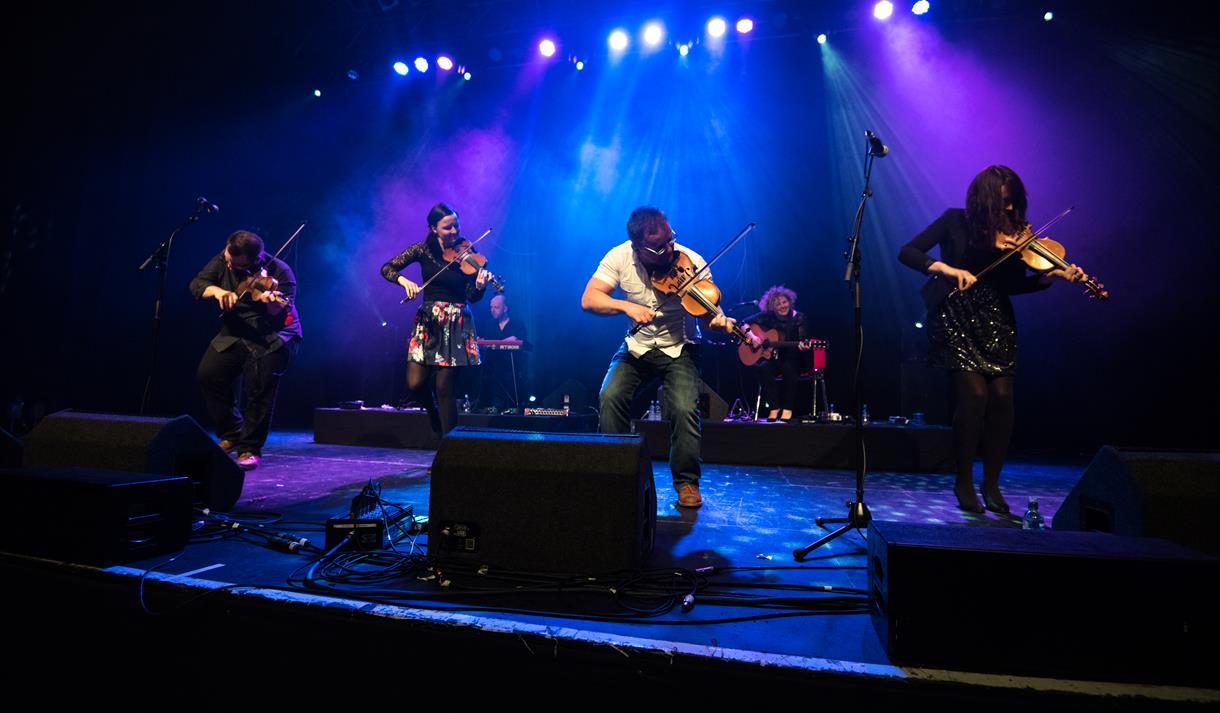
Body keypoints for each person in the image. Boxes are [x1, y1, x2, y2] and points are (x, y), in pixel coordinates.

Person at [898, 165, 1086, 514]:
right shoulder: (954, 220)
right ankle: (963, 480)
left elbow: (1014, 286)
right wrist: (947, 269)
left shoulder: (1017, 237)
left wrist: (1050, 278)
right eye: (1004, 202)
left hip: (996, 320)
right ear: (984, 199)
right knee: (974, 395)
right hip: (954, 316)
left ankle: (992, 483)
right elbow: (908, 252)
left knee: (1002, 398)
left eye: (1015, 203)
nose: (1012, 210)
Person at [581, 206, 743, 508]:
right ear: (637, 247)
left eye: (671, 240)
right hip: (637, 347)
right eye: (660, 247)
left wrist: (718, 323)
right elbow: (589, 299)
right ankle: (615, 474)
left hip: (679, 347)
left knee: (683, 408)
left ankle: (687, 483)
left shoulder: (691, 261)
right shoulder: (619, 257)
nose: (670, 251)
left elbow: (708, 318)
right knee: (610, 396)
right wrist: (627, 307)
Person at [191, 229, 301, 470]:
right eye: (230, 261)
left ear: (257, 259)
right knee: (208, 374)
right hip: (236, 331)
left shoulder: (280, 272)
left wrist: (269, 301)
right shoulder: (224, 259)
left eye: (239, 267)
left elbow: (279, 312)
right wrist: (219, 291)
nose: (231, 268)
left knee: (259, 389)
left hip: (272, 335)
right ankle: (232, 432)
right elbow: (198, 284)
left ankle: (249, 448)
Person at [381, 203, 490, 436]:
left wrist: (480, 287)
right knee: (415, 384)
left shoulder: (468, 252)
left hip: (456, 321)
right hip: (428, 321)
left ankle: (448, 451)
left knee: (444, 388)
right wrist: (404, 281)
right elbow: (387, 268)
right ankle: (431, 412)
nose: (454, 231)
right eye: (447, 227)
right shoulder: (421, 250)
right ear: (433, 228)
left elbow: (472, 295)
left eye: (456, 225)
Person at [743, 285, 811, 422]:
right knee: (762, 368)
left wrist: (804, 345)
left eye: (784, 302)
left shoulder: (799, 318)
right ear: (772, 306)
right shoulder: (768, 316)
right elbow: (744, 323)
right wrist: (753, 337)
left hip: (794, 357)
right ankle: (774, 407)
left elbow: (803, 339)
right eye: (778, 304)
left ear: (790, 301)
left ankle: (787, 408)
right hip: (774, 357)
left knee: (788, 368)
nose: (782, 306)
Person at [478, 294, 529, 410]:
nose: (492, 310)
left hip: (512, 366)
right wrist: (481, 342)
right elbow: (485, 342)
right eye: (491, 307)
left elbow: (524, 342)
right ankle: (491, 405)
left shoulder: (517, 324)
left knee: (511, 378)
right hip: (493, 365)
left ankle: (514, 406)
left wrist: (514, 339)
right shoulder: (489, 324)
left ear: (505, 309)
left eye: (496, 307)